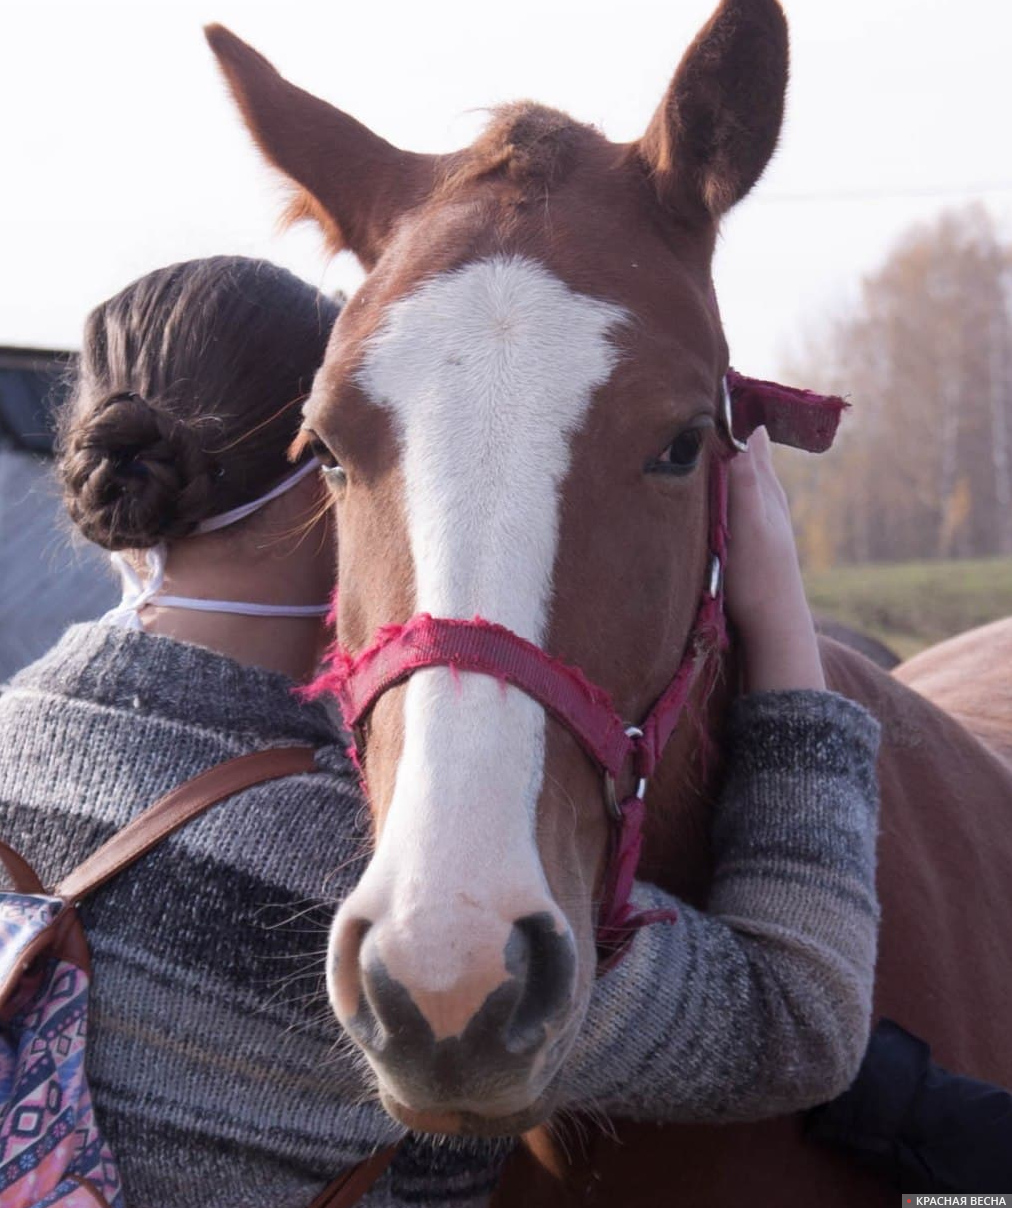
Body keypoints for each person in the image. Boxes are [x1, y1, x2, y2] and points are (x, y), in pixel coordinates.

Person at [0, 255, 880, 1208]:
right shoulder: (384, 877)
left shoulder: (13, 737)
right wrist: (783, 624)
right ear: (327, 486)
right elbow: (795, 1024)